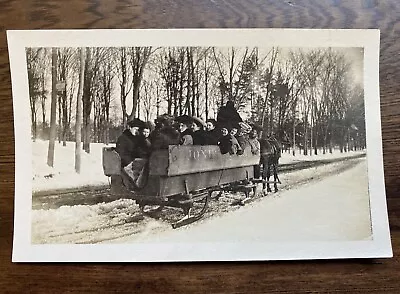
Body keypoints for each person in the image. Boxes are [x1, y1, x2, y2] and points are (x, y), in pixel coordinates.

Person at [116, 118, 147, 189]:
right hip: (126, 162)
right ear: (130, 128)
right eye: (135, 129)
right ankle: (137, 185)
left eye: (138, 130)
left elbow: (141, 150)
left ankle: (140, 184)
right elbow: (120, 153)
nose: (137, 131)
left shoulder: (137, 138)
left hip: (135, 161)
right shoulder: (123, 138)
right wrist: (131, 161)